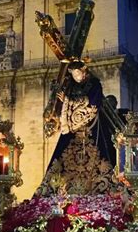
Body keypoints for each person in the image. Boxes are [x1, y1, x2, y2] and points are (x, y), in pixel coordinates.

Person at [35, 60, 119, 197]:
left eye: (78, 73)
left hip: (92, 126)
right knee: (62, 161)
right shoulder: (70, 86)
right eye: (73, 74)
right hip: (71, 130)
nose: (76, 77)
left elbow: (92, 103)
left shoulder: (94, 84)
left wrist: (68, 100)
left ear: (84, 71)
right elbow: (63, 105)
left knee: (101, 159)